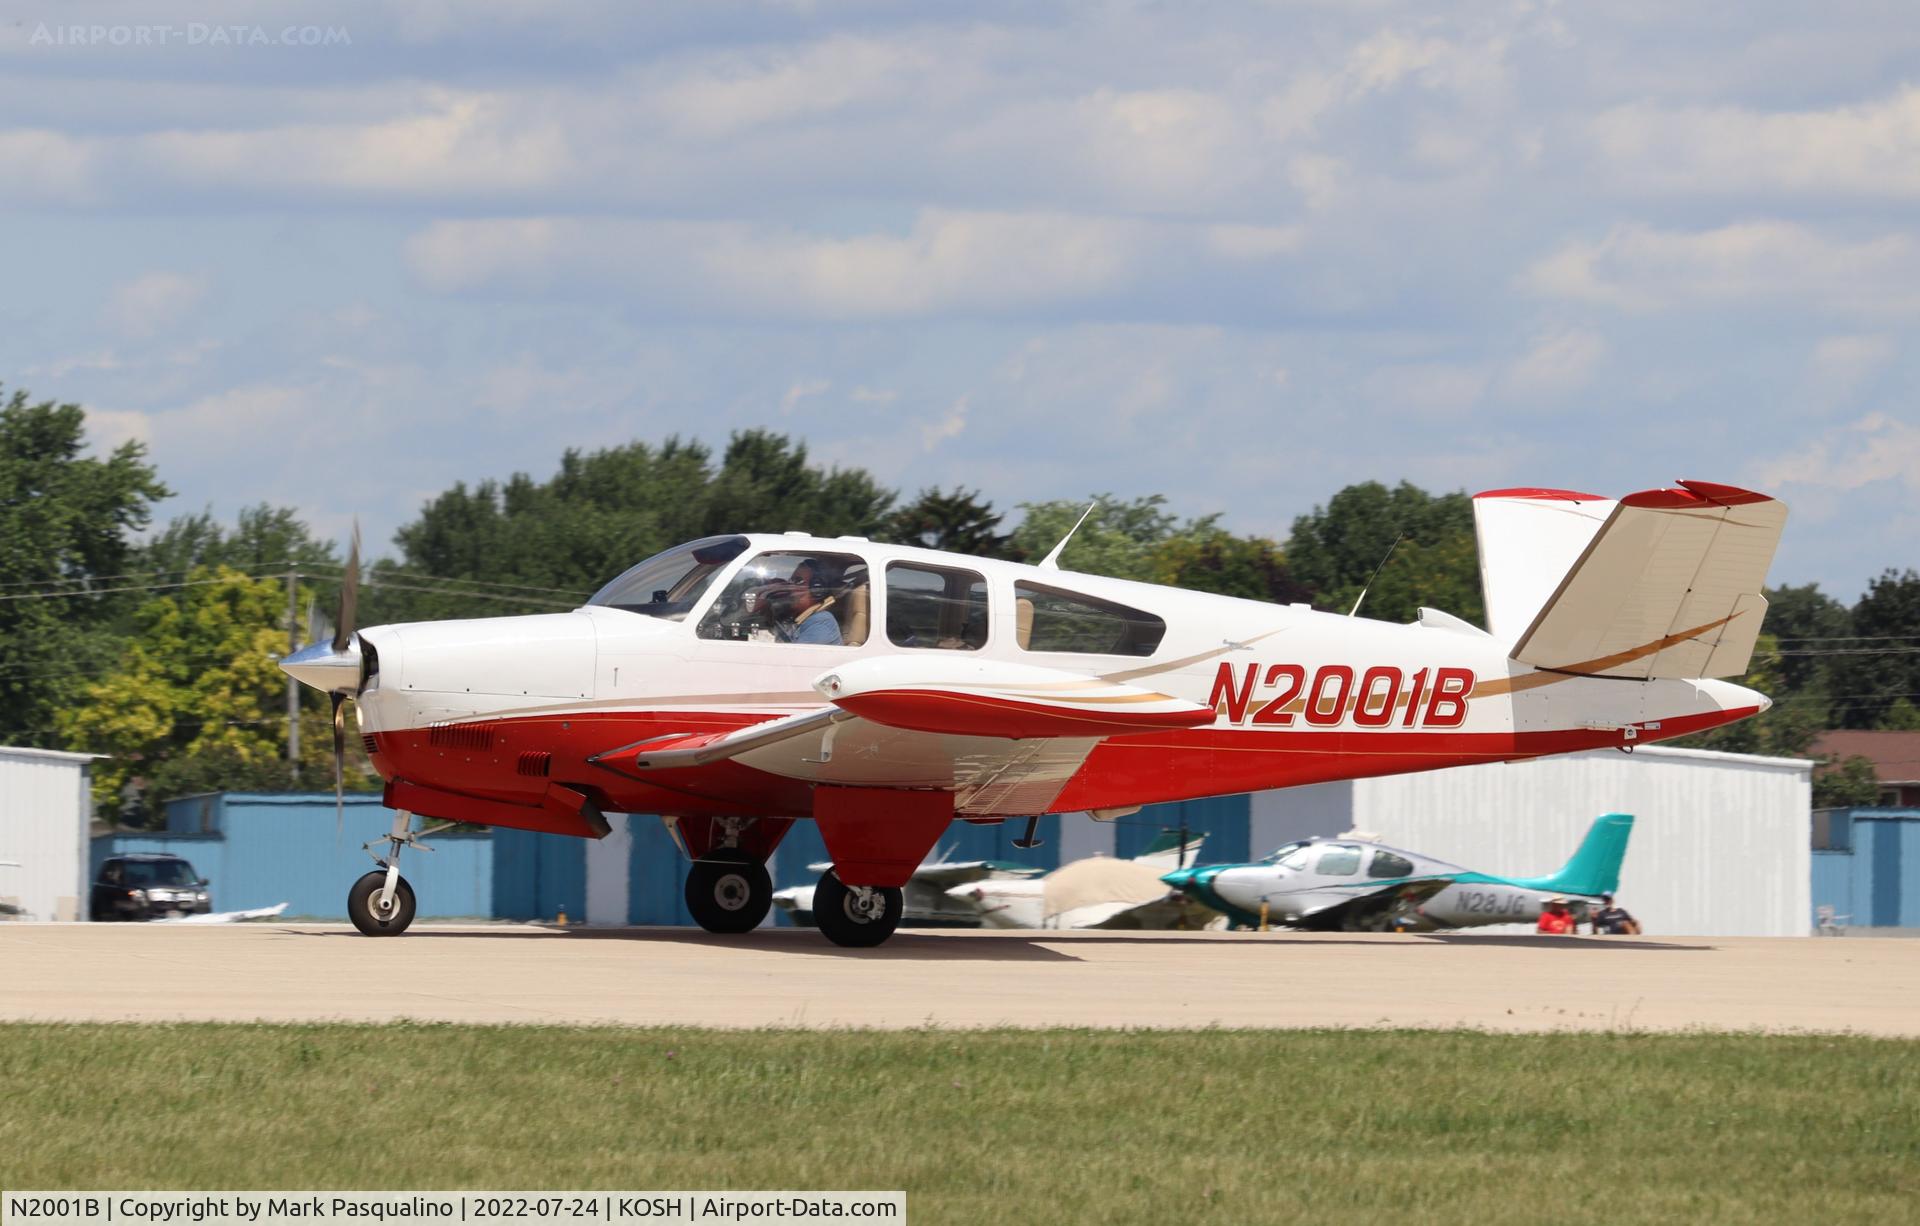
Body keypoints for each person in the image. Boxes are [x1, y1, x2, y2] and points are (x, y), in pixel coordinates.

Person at [782, 560, 842, 645]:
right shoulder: (801, 616)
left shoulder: (821, 622)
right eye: (791, 581)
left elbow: (795, 656)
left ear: (816, 590)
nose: (790, 588)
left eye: (798, 581)